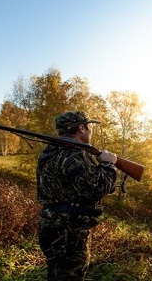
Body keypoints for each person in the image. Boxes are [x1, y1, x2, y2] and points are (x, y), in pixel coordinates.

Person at [36, 110, 118, 280]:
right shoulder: (73, 154)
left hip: (52, 224)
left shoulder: (49, 152)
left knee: (58, 274)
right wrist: (109, 165)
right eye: (89, 126)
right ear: (81, 128)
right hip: (70, 231)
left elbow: (74, 187)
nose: (91, 130)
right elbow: (94, 189)